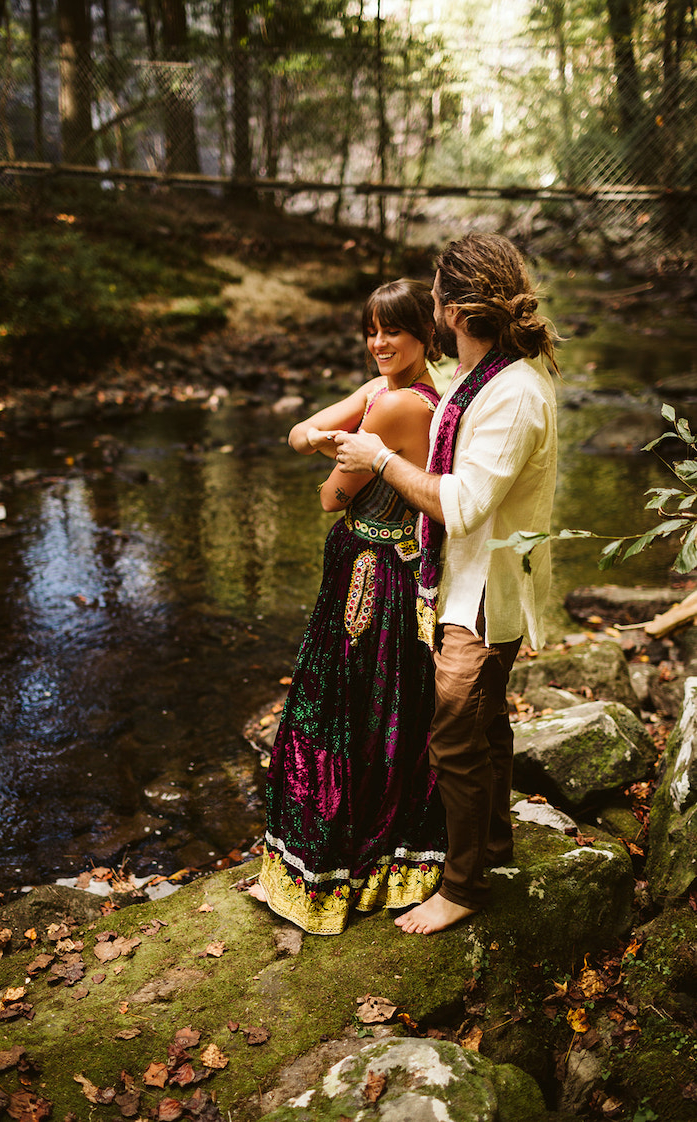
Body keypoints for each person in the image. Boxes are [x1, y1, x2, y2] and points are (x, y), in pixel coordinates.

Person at [335, 233, 560, 935]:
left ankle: (463, 888)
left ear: (457, 307)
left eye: (434, 293)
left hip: (490, 594)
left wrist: (377, 457)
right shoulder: (475, 377)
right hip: (463, 583)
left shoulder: (514, 393)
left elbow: (460, 504)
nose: (427, 303)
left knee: (457, 731)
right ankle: (491, 849)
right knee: (488, 726)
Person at [247, 279, 447, 935]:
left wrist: (332, 440)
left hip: (373, 577)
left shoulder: (395, 408)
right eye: (372, 330)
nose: (379, 343)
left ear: (426, 332)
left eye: (393, 330)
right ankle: (384, 865)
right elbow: (295, 432)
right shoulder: (395, 393)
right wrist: (324, 436)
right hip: (386, 570)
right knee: (383, 713)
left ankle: (341, 873)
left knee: (349, 712)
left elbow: (332, 498)